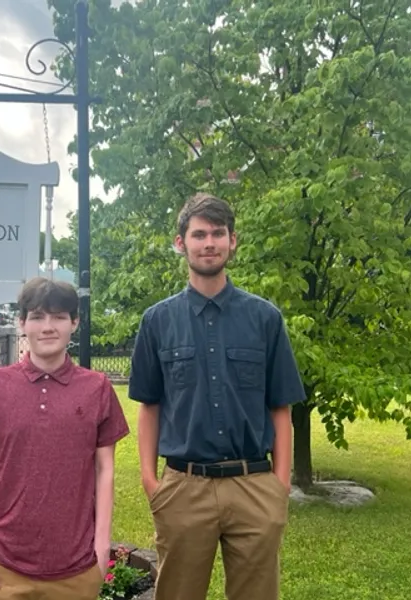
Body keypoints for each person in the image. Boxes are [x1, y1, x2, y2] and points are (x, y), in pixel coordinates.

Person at [128, 192, 307, 600]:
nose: (209, 242)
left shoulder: (265, 319)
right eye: (199, 234)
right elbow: (149, 407)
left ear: (232, 241)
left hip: (254, 485)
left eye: (218, 233)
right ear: (181, 243)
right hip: (184, 487)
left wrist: (279, 486)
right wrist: (150, 481)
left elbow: (280, 407)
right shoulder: (157, 321)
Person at [0, 277, 130, 600]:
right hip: (5, 565)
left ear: (75, 322)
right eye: (38, 317)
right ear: (22, 323)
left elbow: (104, 469)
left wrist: (102, 543)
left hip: (78, 567)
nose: (48, 327)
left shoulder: (97, 388)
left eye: (59, 317)